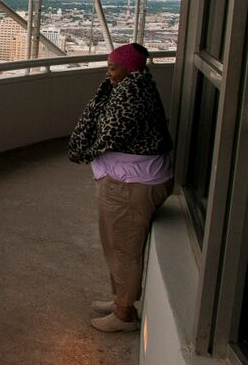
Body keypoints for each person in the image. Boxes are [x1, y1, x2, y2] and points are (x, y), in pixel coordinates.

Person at [68, 43, 173, 333]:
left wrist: (83, 150)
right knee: (116, 245)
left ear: (131, 68)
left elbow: (108, 133)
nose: (108, 72)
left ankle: (125, 313)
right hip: (130, 182)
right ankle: (120, 300)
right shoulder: (135, 87)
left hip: (130, 187)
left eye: (113, 67)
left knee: (124, 248)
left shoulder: (132, 95)